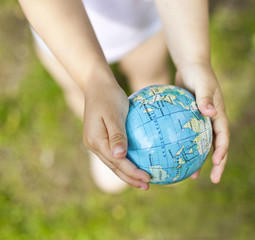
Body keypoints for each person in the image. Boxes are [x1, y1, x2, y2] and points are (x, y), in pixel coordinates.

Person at [18, 0, 230, 193]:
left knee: (150, 77)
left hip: (142, 23)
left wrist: (193, 60)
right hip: (63, 33)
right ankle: (108, 138)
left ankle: (135, 141)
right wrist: (93, 79)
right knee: (84, 95)